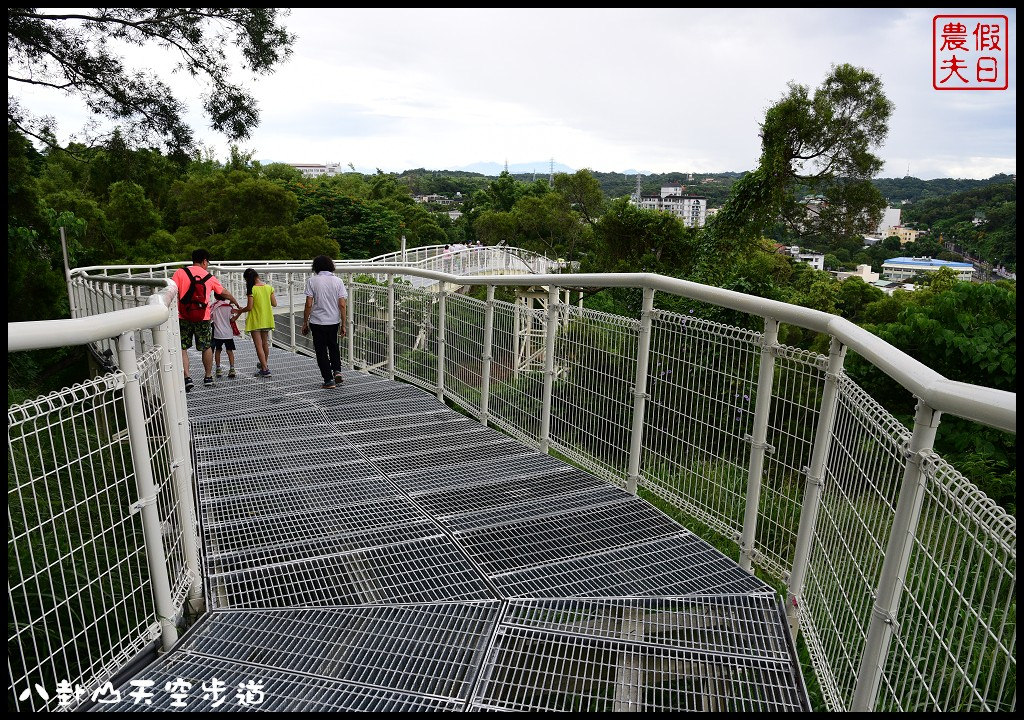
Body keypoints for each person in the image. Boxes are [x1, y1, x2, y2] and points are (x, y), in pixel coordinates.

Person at [171, 249, 241, 391]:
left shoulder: (180, 273)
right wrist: (236, 302)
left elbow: (171, 289)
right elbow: (223, 292)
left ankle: (187, 377)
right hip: (203, 317)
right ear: (204, 261)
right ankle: (208, 376)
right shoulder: (209, 277)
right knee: (206, 347)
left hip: (183, 316)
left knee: (182, 347)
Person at [300, 255, 348, 389]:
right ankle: (337, 371)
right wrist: (343, 324)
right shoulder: (338, 281)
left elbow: (309, 303)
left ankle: (328, 380)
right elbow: (342, 304)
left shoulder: (312, 281)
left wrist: (305, 322)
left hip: (317, 322)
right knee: (333, 346)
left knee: (321, 351)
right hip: (333, 321)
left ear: (316, 267)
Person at [237, 268, 277, 376]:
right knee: (265, 344)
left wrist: (240, 310)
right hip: (266, 319)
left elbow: (249, 307)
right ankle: (264, 366)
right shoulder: (269, 287)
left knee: (258, 345)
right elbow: (274, 304)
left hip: (255, 320)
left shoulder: (252, 289)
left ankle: (265, 369)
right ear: (257, 275)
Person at [209, 293, 240, 378]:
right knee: (230, 351)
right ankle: (232, 369)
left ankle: (218, 369)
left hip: (217, 334)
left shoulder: (213, 307)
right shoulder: (229, 307)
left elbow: (210, 319)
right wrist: (239, 313)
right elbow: (232, 319)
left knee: (218, 351)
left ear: (215, 296)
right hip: (228, 333)